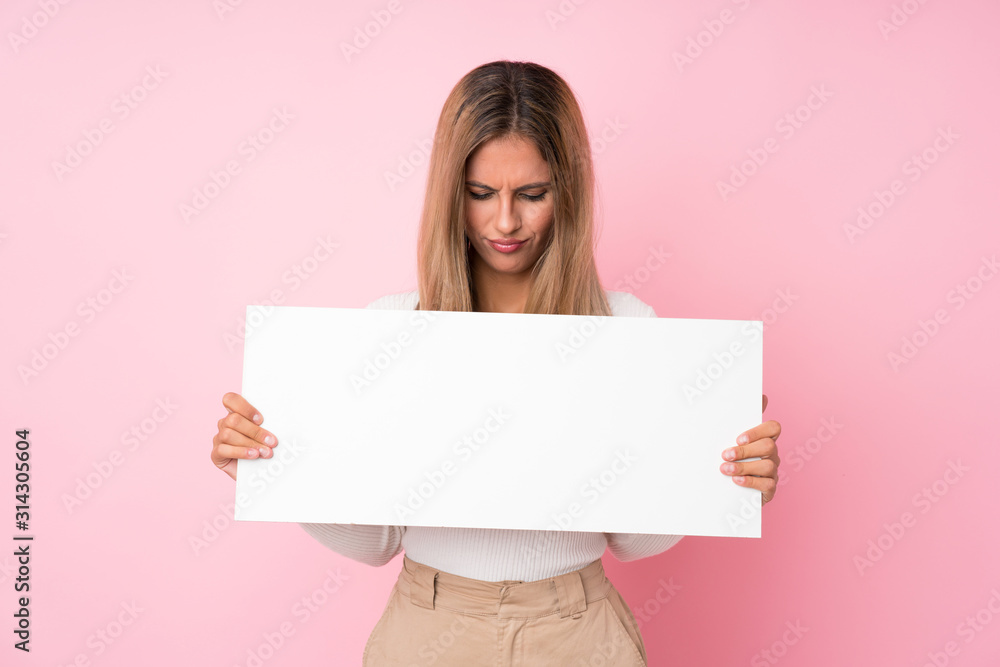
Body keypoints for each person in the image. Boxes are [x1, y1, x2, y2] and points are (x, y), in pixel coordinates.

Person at [211, 60, 781, 666]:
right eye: (480, 194)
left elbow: (634, 542)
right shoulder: (392, 327)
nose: (505, 221)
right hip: (429, 630)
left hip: (577, 633)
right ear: (449, 192)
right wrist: (276, 469)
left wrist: (716, 471)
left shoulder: (627, 327)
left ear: (569, 192)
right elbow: (376, 541)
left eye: (532, 194)